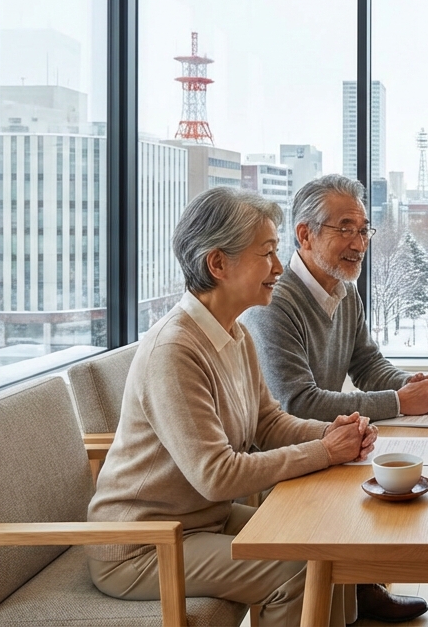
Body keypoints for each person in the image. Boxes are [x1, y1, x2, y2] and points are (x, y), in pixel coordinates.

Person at [86, 187, 377, 626]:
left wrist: (332, 433)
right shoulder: (175, 350)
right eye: (267, 253)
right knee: (299, 571)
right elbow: (217, 475)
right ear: (217, 263)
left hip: (203, 523)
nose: (280, 267)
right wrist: (324, 452)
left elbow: (268, 422)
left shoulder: (234, 334)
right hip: (143, 546)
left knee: (326, 546)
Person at [241, 174, 428, 622]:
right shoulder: (272, 303)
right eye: (345, 228)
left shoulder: (344, 291)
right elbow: (296, 403)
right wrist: (397, 403)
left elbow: (368, 365)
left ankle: (360, 586)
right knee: (379, 466)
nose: (359, 241)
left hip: (321, 442)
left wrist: (415, 385)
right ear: (305, 235)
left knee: (386, 461)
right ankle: (355, 592)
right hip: (281, 459)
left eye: (364, 228)